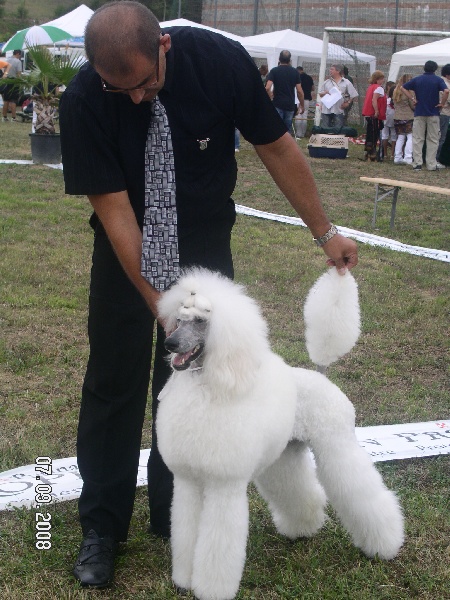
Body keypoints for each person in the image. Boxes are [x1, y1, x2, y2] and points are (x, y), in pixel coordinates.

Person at [59, 1, 358, 589]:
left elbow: (276, 147)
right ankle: (101, 526)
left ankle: (177, 512)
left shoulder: (221, 63)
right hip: (126, 245)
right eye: (121, 89)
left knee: (201, 383)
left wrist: (325, 232)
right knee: (112, 381)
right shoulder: (84, 100)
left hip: (204, 240)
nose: (137, 98)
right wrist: (166, 311)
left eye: (144, 83)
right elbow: (117, 215)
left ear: (163, 47)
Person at [401, 60, 449, 171]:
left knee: (418, 138)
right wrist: (442, 103)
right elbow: (446, 91)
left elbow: (403, 87)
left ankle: (417, 163)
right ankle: (431, 164)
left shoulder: (417, 79)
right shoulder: (438, 80)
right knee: (433, 139)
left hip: (419, 112)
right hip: (433, 113)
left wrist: (412, 98)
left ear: (424, 68)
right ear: (435, 69)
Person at [265, 50, 304, 134]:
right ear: (290, 60)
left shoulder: (274, 71)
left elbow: (268, 87)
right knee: (287, 129)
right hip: (290, 104)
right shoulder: (295, 72)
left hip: (277, 103)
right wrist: (302, 105)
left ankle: (276, 145)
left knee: (276, 127)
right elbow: (299, 91)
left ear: (279, 59)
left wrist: (269, 97)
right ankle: (286, 145)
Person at [318, 64, 358, 129]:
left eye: (332, 69)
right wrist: (325, 93)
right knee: (325, 129)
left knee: (338, 129)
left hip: (338, 109)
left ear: (338, 71)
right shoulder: (327, 82)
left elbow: (353, 94)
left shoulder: (346, 82)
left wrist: (348, 103)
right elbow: (320, 94)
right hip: (326, 110)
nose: (330, 71)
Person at [361, 70, 386, 161]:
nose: (383, 80)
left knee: (369, 134)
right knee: (374, 134)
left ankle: (368, 153)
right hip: (373, 114)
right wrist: (376, 111)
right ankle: (372, 153)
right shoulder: (379, 88)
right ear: (378, 79)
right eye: (382, 79)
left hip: (367, 113)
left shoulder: (371, 87)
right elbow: (374, 100)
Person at [392, 74, 415, 165]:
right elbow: (412, 106)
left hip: (397, 117)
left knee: (400, 137)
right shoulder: (409, 92)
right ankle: (408, 157)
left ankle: (397, 157)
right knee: (410, 137)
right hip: (408, 116)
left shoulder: (395, 90)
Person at [294, 66, 314, 139]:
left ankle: (298, 133)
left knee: (298, 115)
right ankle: (303, 133)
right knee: (305, 116)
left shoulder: (297, 77)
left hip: (298, 99)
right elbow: (313, 88)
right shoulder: (309, 77)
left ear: (297, 71)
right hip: (307, 99)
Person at [1, 49, 22, 122]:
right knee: (13, 100)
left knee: (6, 100)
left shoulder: (7, 60)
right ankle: (13, 118)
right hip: (14, 82)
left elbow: (3, 70)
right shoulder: (18, 62)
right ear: (18, 54)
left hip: (6, 81)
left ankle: (4, 117)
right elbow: (19, 73)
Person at [437, 63, 450, 166]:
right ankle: (436, 159)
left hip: (436, 112)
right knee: (441, 137)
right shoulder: (446, 84)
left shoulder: (438, 81)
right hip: (444, 113)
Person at [381, 83, 397, 160]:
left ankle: (385, 154)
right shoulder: (397, 101)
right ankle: (392, 154)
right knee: (394, 136)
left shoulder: (386, 100)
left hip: (386, 119)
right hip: (394, 120)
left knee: (385, 136)